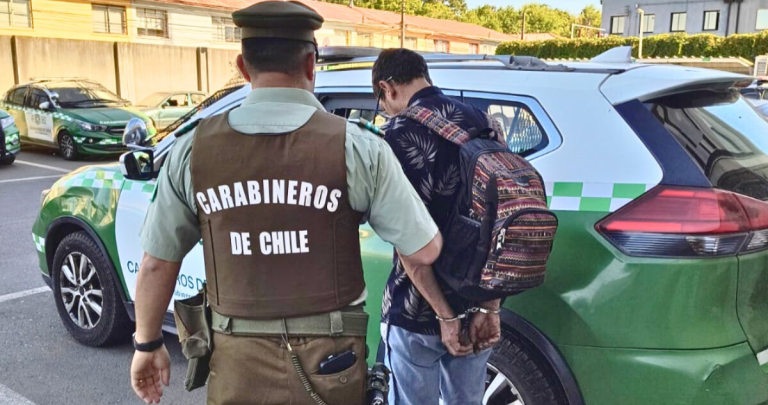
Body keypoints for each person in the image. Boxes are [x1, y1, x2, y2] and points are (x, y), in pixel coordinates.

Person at [129, 4, 442, 404]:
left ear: (243, 67)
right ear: (311, 64)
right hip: (332, 365)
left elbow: (156, 263)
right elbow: (425, 248)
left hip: (236, 365)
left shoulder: (193, 150)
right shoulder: (358, 146)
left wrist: (147, 344)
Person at [373, 49, 502, 405]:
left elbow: (410, 245)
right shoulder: (484, 123)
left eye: (382, 101)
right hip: (476, 298)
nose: (386, 110)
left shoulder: (394, 136)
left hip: (416, 308)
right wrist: (490, 308)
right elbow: (499, 221)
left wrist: (445, 317)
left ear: (388, 88)